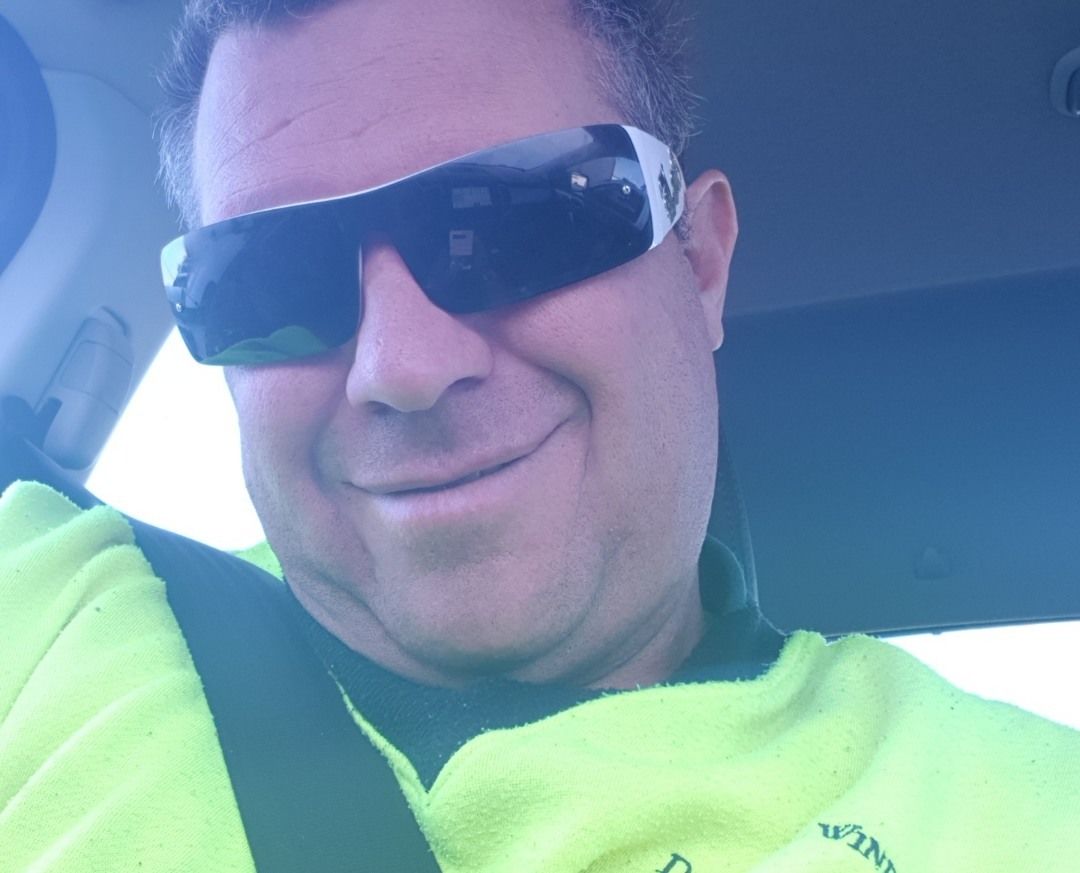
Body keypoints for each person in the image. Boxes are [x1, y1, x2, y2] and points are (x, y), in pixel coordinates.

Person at [1, 0, 1077, 870]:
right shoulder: (50, 605)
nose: (403, 368)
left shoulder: (1026, 813)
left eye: (514, 221)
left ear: (700, 262)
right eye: (269, 277)